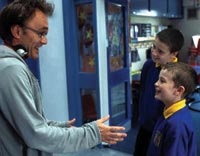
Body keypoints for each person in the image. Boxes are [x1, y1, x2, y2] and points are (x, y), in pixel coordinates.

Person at [0, 0, 127, 155]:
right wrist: (94, 133)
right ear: (17, 32)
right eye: (41, 33)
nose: (44, 41)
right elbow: (36, 135)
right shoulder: (11, 69)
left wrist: (58, 127)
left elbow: (25, 124)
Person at [133, 28, 184, 156]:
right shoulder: (148, 66)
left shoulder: (180, 74)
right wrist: (141, 116)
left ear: (174, 54)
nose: (154, 53)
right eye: (154, 47)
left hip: (162, 130)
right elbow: (143, 91)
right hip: (144, 126)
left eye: (160, 51)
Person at [147, 62, 197, 156]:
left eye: (162, 81)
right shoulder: (168, 112)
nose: (156, 83)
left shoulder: (177, 125)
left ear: (179, 90)